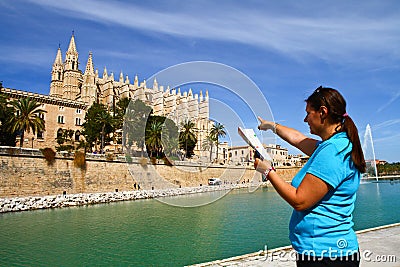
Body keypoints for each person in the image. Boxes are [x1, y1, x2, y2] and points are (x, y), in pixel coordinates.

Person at [255, 86, 366, 266]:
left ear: (323, 112)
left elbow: (300, 200)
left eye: (308, 113)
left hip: (325, 256)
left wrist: (268, 171)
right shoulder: (333, 145)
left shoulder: (333, 151)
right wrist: (270, 126)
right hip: (327, 252)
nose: (305, 119)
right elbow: (298, 138)